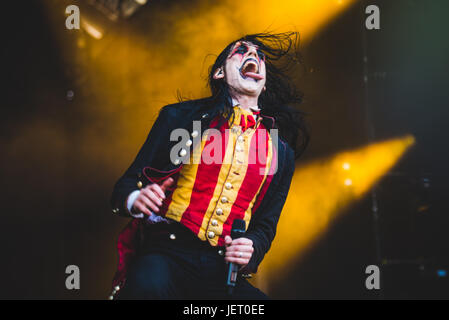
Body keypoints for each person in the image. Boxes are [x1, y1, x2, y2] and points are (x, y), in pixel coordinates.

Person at [109, 32, 309, 300]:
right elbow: (125, 186)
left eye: (260, 55)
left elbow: (265, 226)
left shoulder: (280, 152)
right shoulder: (180, 119)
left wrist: (252, 246)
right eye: (240, 51)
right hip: (167, 253)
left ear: (264, 84)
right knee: (148, 288)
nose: (254, 56)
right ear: (219, 74)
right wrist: (137, 197)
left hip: (220, 269)